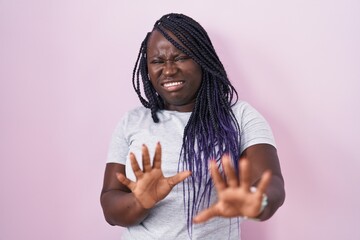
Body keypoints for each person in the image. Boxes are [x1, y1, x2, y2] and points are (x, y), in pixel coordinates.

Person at [101, 13, 285, 240]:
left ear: (202, 60)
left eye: (180, 58)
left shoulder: (240, 116)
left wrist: (257, 200)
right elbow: (110, 207)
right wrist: (139, 201)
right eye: (158, 61)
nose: (168, 70)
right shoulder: (132, 122)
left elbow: (271, 182)